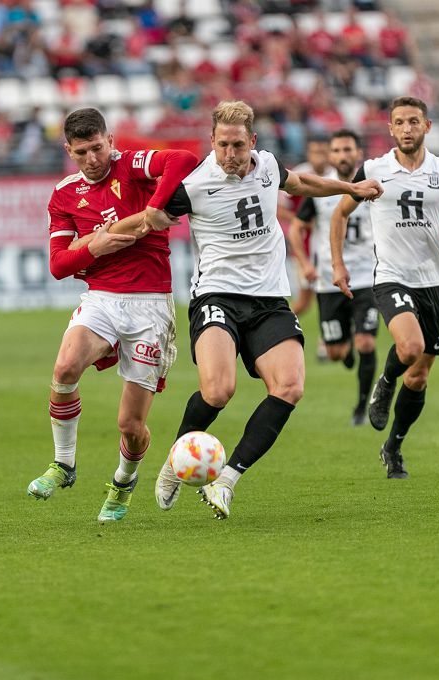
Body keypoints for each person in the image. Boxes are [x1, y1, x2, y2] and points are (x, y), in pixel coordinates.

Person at [152, 100, 383, 519]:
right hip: (216, 296)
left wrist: (351, 188)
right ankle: (173, 463)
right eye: (222, 145)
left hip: (269, 301)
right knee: (219, 390)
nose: (230, 155)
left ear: (252, 142)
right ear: (212, 142)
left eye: (238, 145)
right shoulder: (193, 185)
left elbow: (303, 185)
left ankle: (226, 481)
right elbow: (150, 222)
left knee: (290, 387)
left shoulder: (268, 166)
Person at [25, 107, 198, 523]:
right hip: (101, 297)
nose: (92, 158)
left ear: (111, 141)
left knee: (130, 425)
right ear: (69, 150)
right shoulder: (65, 195)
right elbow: (58, 264)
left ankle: (123, 481)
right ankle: (64, 464)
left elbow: (183, 160)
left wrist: (155, 207)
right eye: (81, 151)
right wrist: (96, 248)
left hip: (151, 304)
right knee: (65, 368)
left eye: (98, 148)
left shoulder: (133, 166)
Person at [330, 96, 439, 479]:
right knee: (410, 347)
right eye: (400, 122)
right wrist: (338, 264)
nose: (406, 128)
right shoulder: (372, 170)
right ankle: (384, 384)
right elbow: (340, 213)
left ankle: (393, 447)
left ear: (427, 126)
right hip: (391, 275)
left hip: (433, 282)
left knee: (419, 376)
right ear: (390, 128)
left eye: (413, 122)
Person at [291, 129, 378, 426]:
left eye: (347, 150)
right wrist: (304, 263)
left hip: (367, 277)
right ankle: (346, 346)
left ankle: (362, 406)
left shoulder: (373, 185)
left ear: (358, 153)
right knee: (337, 352)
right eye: (337, 150)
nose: (342, 155)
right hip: (328, 281)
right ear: (330, 156)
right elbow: (296, 228)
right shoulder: (322, 191)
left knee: (367, 342)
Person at [280, 135, 330, 320]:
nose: (320, 156)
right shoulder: (299, 175)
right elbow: (279, 209)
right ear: (309, 153)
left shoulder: (334, 174)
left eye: (323, 152)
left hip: (330, 246)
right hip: (306, 247)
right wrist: (301, 220)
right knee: (304, 301)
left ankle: (327, 342)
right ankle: (282, 327)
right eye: (316, 152)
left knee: (331, 297)